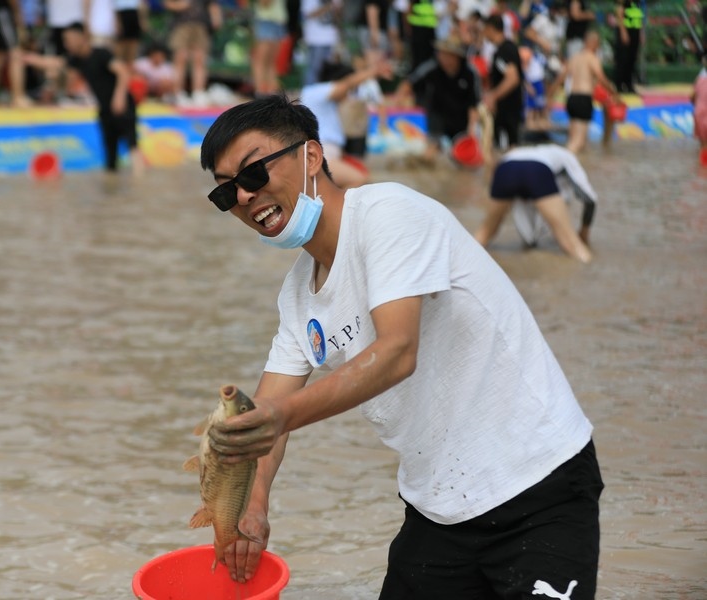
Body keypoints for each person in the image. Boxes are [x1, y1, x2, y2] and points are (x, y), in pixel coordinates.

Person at [198, 94, 604, 598]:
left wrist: (281, 417)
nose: (243, 196)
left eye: (253, 172)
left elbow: (396, 352)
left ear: (311, 156)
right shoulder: (297, 296)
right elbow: (265, 418)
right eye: (226, 191)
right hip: (439, 510)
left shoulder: (388, 214)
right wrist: (253, 504)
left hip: (538, 485)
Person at [24, 22, 144, 174]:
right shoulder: (77, 60)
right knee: (110, 157)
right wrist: (29, 58)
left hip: (123, 105)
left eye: (68, 40)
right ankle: (112, 184)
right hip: (104, 110)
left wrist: (119, 97)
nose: (66, 44)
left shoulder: (101, 54)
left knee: (132, 146)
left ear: (81, 37)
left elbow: (123, 72)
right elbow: (55, 62)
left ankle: (140, 180)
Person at [474, 143, 595, 262]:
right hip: (536, 170)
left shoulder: (524, 151)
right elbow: (590, 198)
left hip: (504, 169)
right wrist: (584, 232)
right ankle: (589, 267)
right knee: (572, 243)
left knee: (484, 233)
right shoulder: (568, 156)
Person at [299, 58, 392, 188]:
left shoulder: (322, 100)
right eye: (349, 91)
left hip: (326, 154)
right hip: (322, 155)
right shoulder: (318, 91)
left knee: (362, 177)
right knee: (360, 181)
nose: (348, 95)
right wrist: (374, 71)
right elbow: (347, 84)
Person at [395, 35, 481, 164]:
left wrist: (471, 131)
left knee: (463, 160)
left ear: (456, 56)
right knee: (429, 157)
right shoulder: (432, 67)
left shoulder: (470, 73)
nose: (442, 57)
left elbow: (474, 105)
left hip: (461, 122)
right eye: (441, 53)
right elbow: (408, 83)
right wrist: (398, 102)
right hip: (437, 120)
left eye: (446, 54)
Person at [551, 30, 617, 154]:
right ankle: (561, 160)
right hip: (583, 99)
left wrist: (549, 95)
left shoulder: (574, 58)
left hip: (571, 99)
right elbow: (601, 78)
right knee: (578, 142)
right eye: (598, 44)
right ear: (594, 43)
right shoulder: (592, 58)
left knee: (575, 139)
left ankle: (577, 163)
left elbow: (560, 79)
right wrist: (613, 92)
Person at [163, 0, 221, 107]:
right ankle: (177, 93)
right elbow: (167, 3)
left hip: (201, 25)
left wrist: (216, 17)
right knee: (180, 58)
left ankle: (198, 93)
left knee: (199, 60)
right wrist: (180, 5)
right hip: (181, 24)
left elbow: (212, 4)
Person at [482, 13, 524, 150]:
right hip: (509, 108)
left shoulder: (504, 51)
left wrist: (493, 96)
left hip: (507, 110)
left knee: (505, 149)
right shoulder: (506, 48)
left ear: (490, 28)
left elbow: (512, 78)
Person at [0, 0, 31, 106]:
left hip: (0, 13)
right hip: (4, 14)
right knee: (16, 55)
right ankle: (18, 96)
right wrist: (19, 18)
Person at [250, 0, 287, 97]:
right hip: (276, 21)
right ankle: (270, 94)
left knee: (261, 62)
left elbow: (265, 3)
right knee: (269, 63)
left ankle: (261, 93)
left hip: (268, 21)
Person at [612, 0, 642, 94]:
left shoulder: (636, 3)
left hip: (635, 31)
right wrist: (623, 31)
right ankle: (619, 85)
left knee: (632, 59)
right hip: (626, 31)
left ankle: (629, 84)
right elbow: (619, 15)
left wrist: (641, 32)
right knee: (622, 59)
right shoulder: (623, 2)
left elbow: (638, 18)